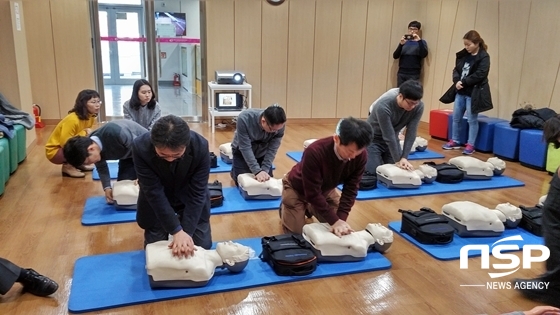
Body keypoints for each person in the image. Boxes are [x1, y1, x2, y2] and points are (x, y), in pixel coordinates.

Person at [132, 115, 212, 256]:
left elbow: (197, 193)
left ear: (185, 145)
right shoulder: (140, 147)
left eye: (176, 155)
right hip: (156, 201)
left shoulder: (200, 146)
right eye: (163, 155)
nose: (169, 159)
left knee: (202, 247)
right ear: (153, 143)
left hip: (188, 196)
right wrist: (176, 230)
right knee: (155, 252)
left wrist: (185, 233)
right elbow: (153, 191)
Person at [280, 117, 373, 235]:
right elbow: (312, 193)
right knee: (297, 236)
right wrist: (334, 221)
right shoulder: (314, 151)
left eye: (358, 152)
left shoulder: (361, 155)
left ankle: (309, 207)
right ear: (336, 139)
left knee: (339, 226)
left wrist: (340, 221)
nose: (353, 156)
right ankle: (287, 206)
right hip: (297, 187)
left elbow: (351, 189)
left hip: (324, 189)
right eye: (350, 151)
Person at [513, 117, 560, 308]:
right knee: (555, 243)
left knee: (556, 243)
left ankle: (551, 288)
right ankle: (551, 285)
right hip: (555, 202)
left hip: (555, 204)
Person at [63, 120, 148, 203]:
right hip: (127, 156)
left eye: (88, 161)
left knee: (146, 187)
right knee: (123, 192)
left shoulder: (115, 133)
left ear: (91, 149)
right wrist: (107, 188)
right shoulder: (90, 147)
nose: (91, 164)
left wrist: (142, 175)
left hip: (148, 150)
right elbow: (102, 168)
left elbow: (142, 150)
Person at [442, 30, 492, 155]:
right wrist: (456, 81)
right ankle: (455, 140)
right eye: (465, 44)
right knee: (456, 118)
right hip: (460, 91)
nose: (466, 47)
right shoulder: (464, 55)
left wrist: (464, 82)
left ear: (476, 43)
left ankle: (471, 144)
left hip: (473, 93)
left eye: (468, 45)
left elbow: (480, 74)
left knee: (472, 119)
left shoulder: (484, 57)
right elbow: (456, 70)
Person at [365, 80, 424, 184]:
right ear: (400, 96)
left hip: (392, 140)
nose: (413, 107)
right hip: (372, 140)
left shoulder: (419, 106)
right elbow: (389, 136)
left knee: (397, 171)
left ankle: (381, 158)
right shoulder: (383, 106)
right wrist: (398, 160)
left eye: (416, 103)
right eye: (410, 103)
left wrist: (404, 158)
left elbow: (411, 132)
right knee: (373, 173)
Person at [45, 89, 101, 178]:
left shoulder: (91, 117)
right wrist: (84, 132)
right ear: (83, 104)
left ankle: (78, 163)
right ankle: (68, 167)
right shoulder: (72, 119)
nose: (97, 105)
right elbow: (65, 143)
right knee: (82, 142)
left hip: (68, 146)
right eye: (93, 102)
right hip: (55, 151)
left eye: (98, 101)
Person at [145, 240, 251, 287]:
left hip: (153, 262)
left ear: (230, 262)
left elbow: (160, 269)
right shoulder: (201, 250)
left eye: (234, 247)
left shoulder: (204, 270)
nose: (230, 241)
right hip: (153, 251)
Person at [230, 104, 286, 185]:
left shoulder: (279, 125)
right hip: (242, 151)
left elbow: (272, 149)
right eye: (272, 129)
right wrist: (257, 171)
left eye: (278, 129)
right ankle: (234, 171)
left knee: (266, 181)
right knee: (241, 182)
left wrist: (264, 169)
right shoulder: (244, 118)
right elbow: (245, 147)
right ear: (263, 121)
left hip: (262, 152)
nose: (275, 132)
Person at [392, 20, 428, 87]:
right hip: (402, 72)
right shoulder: (404, 42)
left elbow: (424, 54)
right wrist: (401, 44)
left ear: (418, 31)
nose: (412, 31)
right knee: (400, 92)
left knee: (411, 94)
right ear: (408, 29)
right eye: (410, 29)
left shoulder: (422, 42)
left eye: (415, 29)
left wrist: (419, 41)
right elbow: (395, 56)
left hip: (414, 73)